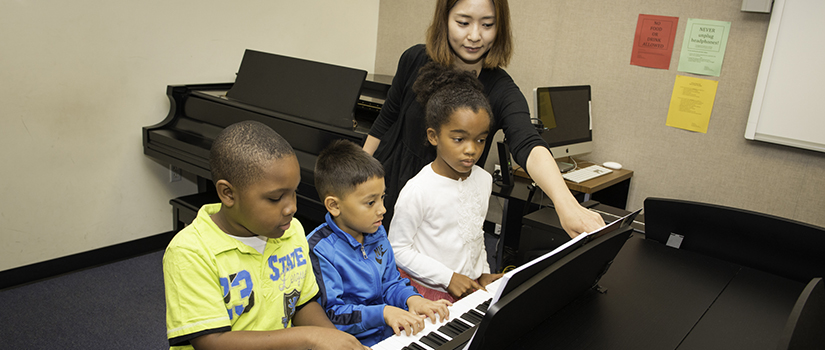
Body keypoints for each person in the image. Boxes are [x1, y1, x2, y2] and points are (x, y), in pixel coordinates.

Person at [363, 0, 604, 237]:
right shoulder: (413, 58)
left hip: (446, 207)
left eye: (487, 25)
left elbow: (527, 142)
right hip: (390, 185)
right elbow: (386, 120)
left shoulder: (501, 90)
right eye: (463, 22)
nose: (475, 36)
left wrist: (567, 204)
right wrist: (358, 181)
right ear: (444, 20)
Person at [162, 121, 366, 350]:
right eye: (275, 198)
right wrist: (311, 338)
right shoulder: (190, 252)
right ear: (228, 193)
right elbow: (212, 342)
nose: (291, 208)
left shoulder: (292, 231)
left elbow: (303, 304)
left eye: (294, 192)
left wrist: (331, 338)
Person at [307, 139, 452, 347]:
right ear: (334, 206)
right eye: (370, 202)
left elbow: (391, 283)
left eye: (383, 197)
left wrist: (413, 300)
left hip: (389, 333)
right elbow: (332, 316)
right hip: (353, 343)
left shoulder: (376, 231)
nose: (382, 209)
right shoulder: (320, 250)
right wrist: (383, 313)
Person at [389, 62, 503, 302]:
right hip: (427, 293)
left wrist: (481, 272)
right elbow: (398, 249)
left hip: (468, 288)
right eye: (459, 139)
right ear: (434, 136)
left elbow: (475, 232)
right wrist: (447, 277)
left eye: (481, 140)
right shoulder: (418, 190)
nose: (471, 150)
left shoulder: (483, 180)